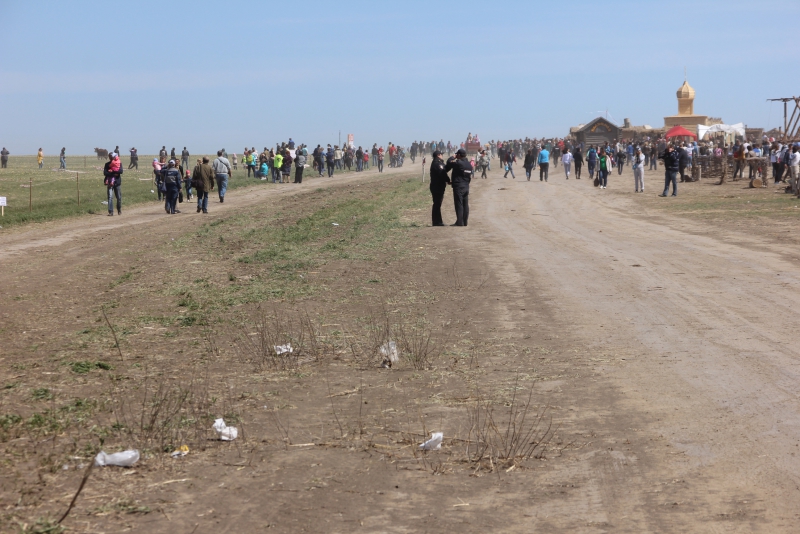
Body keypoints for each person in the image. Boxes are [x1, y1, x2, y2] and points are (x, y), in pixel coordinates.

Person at [444, 148, 473, 226]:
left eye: (457, 154)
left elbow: (449, 163)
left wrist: (452, 157)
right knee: (465, 204)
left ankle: (459, 222)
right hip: (466, 186)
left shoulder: (458, 163)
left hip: (459, 186)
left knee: (459, 204)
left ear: (459, 155)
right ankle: (465, 221)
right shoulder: (469, 164)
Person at [429, 150, 449, 226]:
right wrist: (448, 180)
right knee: (437, 204)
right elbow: (442, 173)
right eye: (441, 154)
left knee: (438, 204)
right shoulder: (436, 163)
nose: (442, 155)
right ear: (438, 155)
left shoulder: (438, 163)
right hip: (437, 186)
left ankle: (438, 221)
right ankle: (436, 222)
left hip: (438, 186)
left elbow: (445, 169)